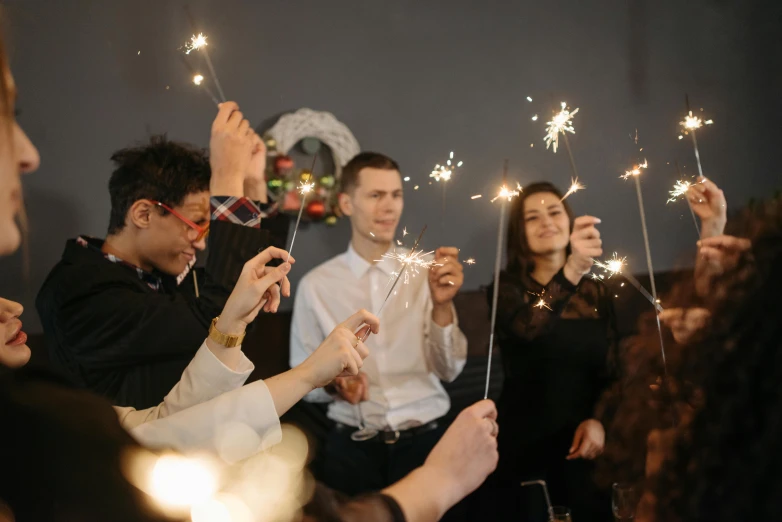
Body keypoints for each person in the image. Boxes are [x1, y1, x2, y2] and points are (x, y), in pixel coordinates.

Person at [37, 104, 276, 409]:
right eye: (196, 223)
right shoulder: (79, 291)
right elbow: (220, 318)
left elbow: (247, 296)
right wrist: (227, 177)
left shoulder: (158, 275)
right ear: (144, 214)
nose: (202, 244)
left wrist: (252, 184)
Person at [289, 152, 468, 495]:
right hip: (352, 449)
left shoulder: (428, 273)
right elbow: (302, 376)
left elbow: (450, 371)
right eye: (375, 195)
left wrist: (443, 307)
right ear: (345, 203)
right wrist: (334, 385)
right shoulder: (316, 285)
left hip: (428, 443)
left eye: (396, 195)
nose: (389, 207)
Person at [481, 181, 615, 521]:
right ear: (519, 232)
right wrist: (572, 271)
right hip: (526, 445)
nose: (547, 222)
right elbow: (529, 328)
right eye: (532, 217)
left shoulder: (597, 292)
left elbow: (614, 369)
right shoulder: (506, 289)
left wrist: (599, 419)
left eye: (555, 212)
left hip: (586, 443)